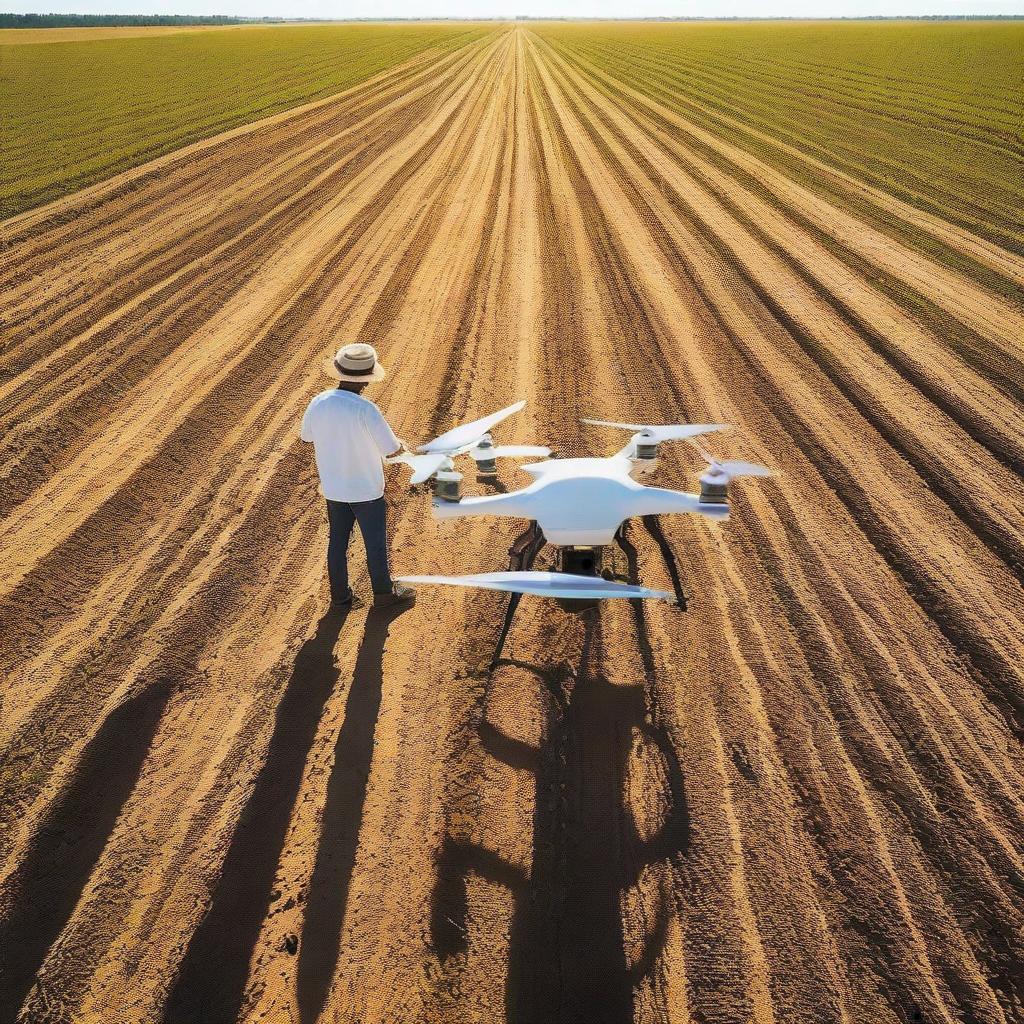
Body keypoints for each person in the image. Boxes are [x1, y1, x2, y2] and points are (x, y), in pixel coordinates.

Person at [300, 342, 415, 608]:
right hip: (366, 490)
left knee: (337, 542)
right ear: (367, 379)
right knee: (375, 543)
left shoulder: (319, 402)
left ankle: (340, 599)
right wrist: (402, 447)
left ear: (339, 371)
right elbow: (391, 449)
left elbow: (306, 437)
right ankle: (384, 594)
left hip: (333, 488)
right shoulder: (366, 409)